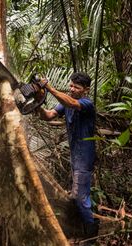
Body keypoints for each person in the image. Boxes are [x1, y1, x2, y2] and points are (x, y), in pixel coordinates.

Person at [36, 72, 99, 237]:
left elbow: (71, 103)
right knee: (81, 194)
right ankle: (88, 223)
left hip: (84, 158)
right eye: (71, 85)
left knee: (79, 197)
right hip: (75, 156)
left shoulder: (86, 104)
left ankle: (91, 239)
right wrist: (37, 104)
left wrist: (48, 87)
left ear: (86, 89)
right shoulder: (66, 104)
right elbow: (49, 116)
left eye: (76, 87)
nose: (72, 89)